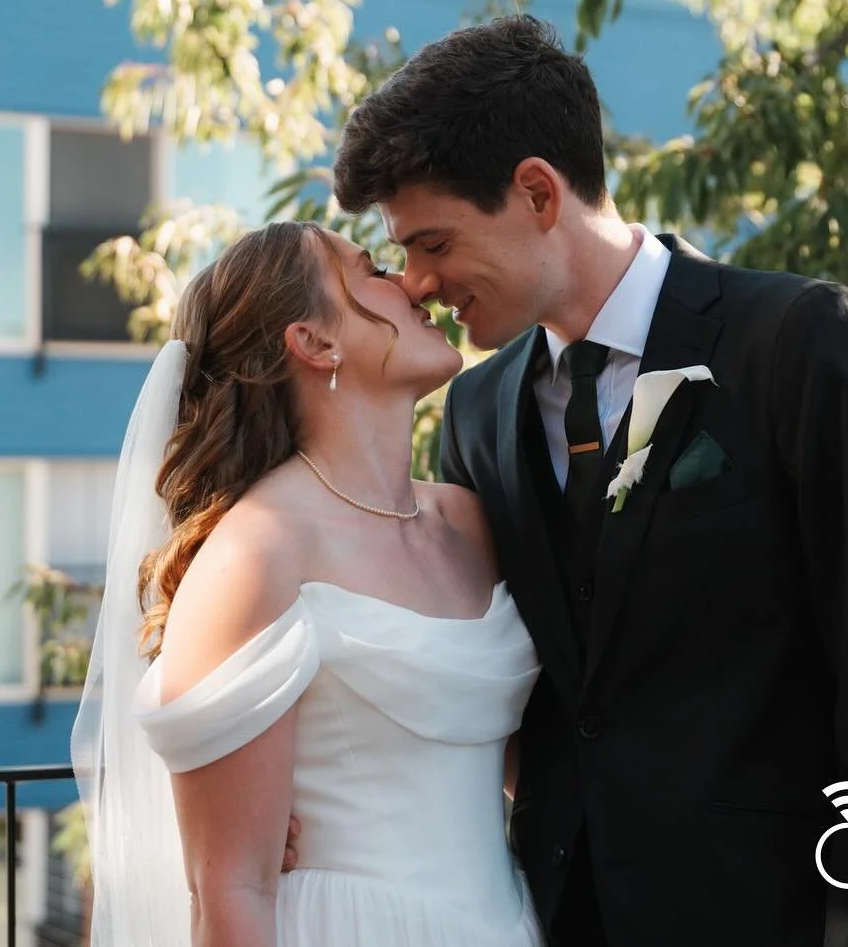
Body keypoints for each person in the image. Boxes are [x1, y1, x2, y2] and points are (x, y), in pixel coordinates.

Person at [331, 14, 848, 947]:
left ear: (538, 192)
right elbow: (485, 685)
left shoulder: (796, 342)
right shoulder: (475, 416)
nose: (417, 283)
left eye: (432, 243)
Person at [71, 221, 545, 947]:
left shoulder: (469, 521)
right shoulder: (257, 553)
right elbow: (229, 889)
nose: (415, 284)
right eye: (373, 271)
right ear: (314, 341)